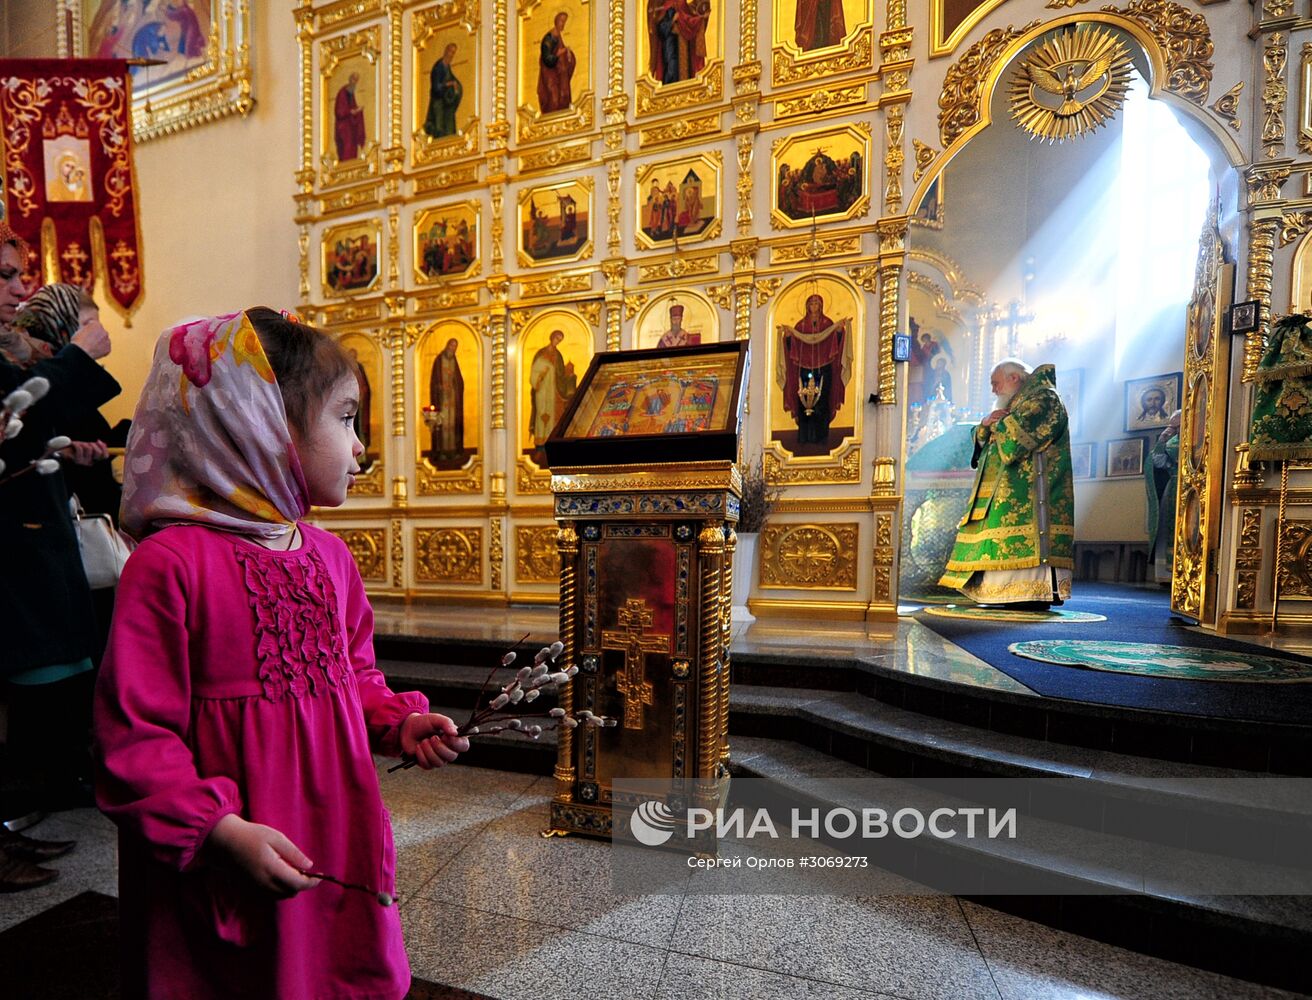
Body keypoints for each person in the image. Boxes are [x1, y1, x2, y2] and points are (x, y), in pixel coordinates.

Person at [93, 307, 470, 998]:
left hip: (331, 816)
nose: (360, 447)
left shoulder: (327, 555)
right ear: (260, 426)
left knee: (326, 962)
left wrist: (396, 720)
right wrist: (216, 830)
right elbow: (135, 734)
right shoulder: (168, 565)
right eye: (346, 418)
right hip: (230, 835)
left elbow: (351, 672)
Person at [0, 224, 120, 889]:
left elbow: (20, 430)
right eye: (7, 273)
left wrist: (64, 448)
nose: (23, 283)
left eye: (21, 272)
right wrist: (75, 353)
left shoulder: (11, 352)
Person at [938, 359, 1074, 608]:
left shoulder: (1045, 398)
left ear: (1014, 378)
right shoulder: (1016, 403)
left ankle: (1031, 593)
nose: (993, 390)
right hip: (1005, 490)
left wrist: (996, 423)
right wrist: (985, 425)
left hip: (1031, 491)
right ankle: (1001, 591)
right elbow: (987, 433)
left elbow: (1018, 440)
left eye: (995, 383)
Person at [775, 292, 852, 447]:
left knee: (822, 401)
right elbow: (792, 348)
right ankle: (804, 437)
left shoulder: (827, 324)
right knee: (803, 401)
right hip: (803, 369)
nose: (814, 306)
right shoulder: (800, 326)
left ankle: (821, 436)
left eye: (817, 303)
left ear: (821, 306)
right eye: (812, 304)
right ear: (807, 307)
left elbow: (835, 344)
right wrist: (789, 336)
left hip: (823, 369)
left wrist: (838, 332)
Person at [1146, 409, 1181, 584]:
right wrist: (1161, 440)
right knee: (1166, 528)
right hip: (1173, 486)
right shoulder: (1170, 440)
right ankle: (1165, 575)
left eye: (1176, 423)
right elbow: (1158, 462)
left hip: (1192, 487)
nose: (1173, 426)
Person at [529, 329, 576, 448]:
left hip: (553, 391)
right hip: (541, 389)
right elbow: (534, 371)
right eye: (556, 338)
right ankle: (540, 444)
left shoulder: (558, 355)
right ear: (551, 337)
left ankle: (549, 443)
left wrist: (569, 376)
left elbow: (560, 375)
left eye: (560, 340)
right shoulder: (541, 353)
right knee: (541, 413)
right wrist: (539, 376)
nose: (557, 341)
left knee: (552, 414)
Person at [647, 0, 710, 86]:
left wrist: (702, 18)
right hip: (670, 46)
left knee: (685, 73)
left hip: (683, 45)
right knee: (672, 69)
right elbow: (661, 29)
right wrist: (672, 20)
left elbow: (689, 20)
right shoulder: (665, 6)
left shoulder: (682, 3)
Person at [428, 337, 465, 464]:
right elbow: (434, 381)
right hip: (442, 399)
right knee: (442, 424)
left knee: (452, 425)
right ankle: (442, 451)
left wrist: (455, 387)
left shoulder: (454, 361)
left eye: (455, 347)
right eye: (451, 346)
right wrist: (440, 387)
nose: (453, 349)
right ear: (447, 345)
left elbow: (459, 380)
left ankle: (453, 450)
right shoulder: (439, 361)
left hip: (453, 398)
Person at [537, 11, 576, 114]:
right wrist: (558, 54)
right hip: (549, 74)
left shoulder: (558, 36)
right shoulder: (549, 38)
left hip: (559, 74)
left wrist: (568, 55)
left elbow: (563, 56)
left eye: (564, 22)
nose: (563, 24)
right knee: (553, 98)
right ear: (556, 21)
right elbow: (547, 59)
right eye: (561, 21)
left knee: (564, 95)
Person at [423, 43, 462, 139]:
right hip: (438, 104)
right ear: (446, 51)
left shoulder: (447, 67)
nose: (452, 55)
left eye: (454, 53)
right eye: (450, 52)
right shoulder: (438, 67)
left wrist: (456, 87)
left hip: (446, 105)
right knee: (439, 130)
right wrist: (448, 84)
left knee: (449, 128)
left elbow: (452, 79)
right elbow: (436, 87)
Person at [334, 72, 367, 161]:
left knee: (352, 147)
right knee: (347, 148)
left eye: (356, 81)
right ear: (350, 79)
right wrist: (351, 112)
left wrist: (357, 110)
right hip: (344, 128)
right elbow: (339, 111)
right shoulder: (343, 93)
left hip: (351, 127)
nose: (355, 83)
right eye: (354, 80)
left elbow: (352, 107)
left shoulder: (350, 94)